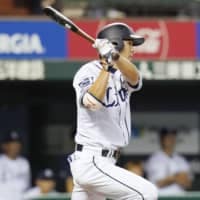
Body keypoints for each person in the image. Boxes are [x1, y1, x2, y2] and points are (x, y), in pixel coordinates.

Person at [68, 22, 158, 200]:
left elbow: (135, 78)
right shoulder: (87, 72)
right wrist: (107, 66)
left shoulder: (123, 73)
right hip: (91, 160)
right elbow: (92, 101)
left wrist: (114, 57)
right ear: (117, 42)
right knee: (146, 193)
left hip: (106, 161)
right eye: (130, 43)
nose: (133, 49)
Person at [145, 128, 192, 196]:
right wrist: (177, 177)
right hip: (162, 196)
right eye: (168, 138)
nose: (171, 140)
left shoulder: (181, 159)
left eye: (173, 137)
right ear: (162, 140)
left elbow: (188, 183)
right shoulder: (154, 159)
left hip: (180, 196)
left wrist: (172, 178)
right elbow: (159, 183)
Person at [0, 130, 31, 200]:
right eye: (12, 143)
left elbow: (27, 185)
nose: (16, 146)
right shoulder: (1, 162)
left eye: (17, 143)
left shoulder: (24, 162)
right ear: (4, 146)